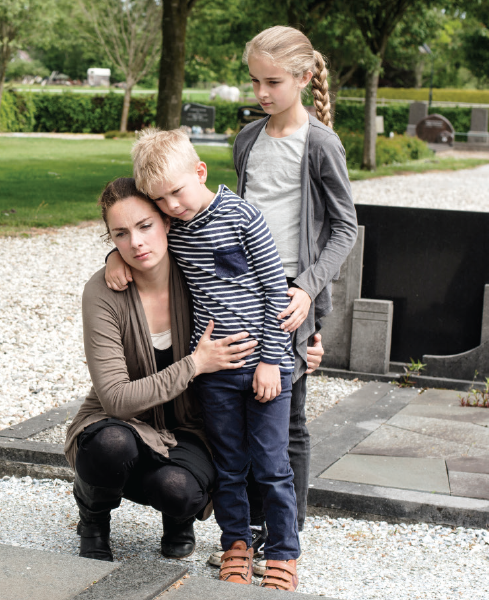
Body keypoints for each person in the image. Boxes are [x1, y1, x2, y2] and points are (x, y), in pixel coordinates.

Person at [105, 25, 357, 583]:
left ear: (303, 78)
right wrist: (116, 258)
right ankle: (244, 536)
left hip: (289, 290)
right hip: (232, 287)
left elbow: (345, 227)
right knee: (241, 434)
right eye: (255, 81)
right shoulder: (247, 140)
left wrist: (308, 291)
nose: (262, 92)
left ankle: (283, 541)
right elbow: (163, 224)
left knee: (283, 425)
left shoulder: (320, 143)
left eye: (274, 82)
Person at [65, 177, 326, 567]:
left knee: (179, 490)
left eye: (145, 226)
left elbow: (261, 298)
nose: (136, 242)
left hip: (190, 427)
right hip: (121, 421)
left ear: (168, 222)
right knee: (110, 447)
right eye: (121, 234)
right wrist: (195, 364)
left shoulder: (198, 275)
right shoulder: (103, 292)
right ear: (111, 240)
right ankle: (93, 511)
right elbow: (116, 399)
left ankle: (177, 517)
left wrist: (302, 346)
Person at [133, 128, 300, 590]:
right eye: (159, 199)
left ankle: (284, 552)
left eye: (176, 192)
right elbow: (136, 239)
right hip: (215, 371)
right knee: (229, 464)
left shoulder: (243, 216)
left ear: (200, 171)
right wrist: (113, 256)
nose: (169, 206)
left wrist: (270, 361)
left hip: (266, 368)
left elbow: (274, 291)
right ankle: (235, 547)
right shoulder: (174, 227)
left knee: (270, 464)